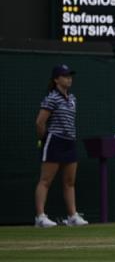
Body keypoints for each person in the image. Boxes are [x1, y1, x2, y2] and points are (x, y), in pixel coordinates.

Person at [34, 64, 88, 227]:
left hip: (69, 142)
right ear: (56, 79)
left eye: (70, 75)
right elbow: (40, 122)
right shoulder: (51, 98)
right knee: (45, 180)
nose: (69, 78)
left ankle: (72, 216)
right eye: (65, 76)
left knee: (69, 181)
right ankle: (40, 217)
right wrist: (42, 139)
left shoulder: (73, 99)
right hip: (54, 140)